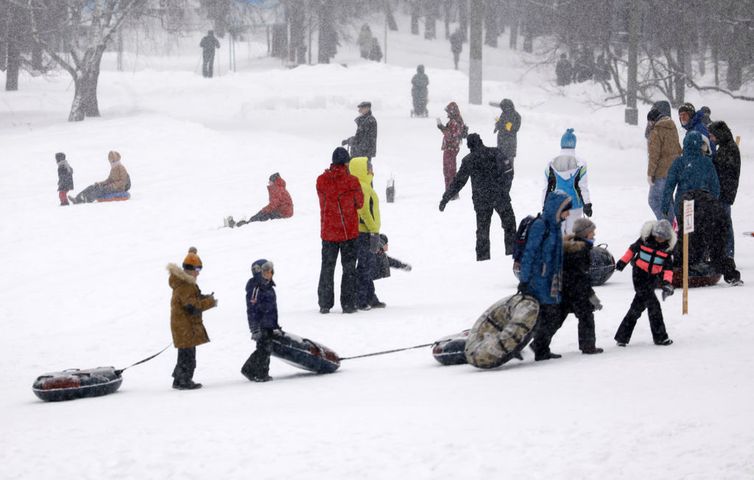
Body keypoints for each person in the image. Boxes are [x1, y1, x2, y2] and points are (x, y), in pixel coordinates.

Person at [439, 133, 516, 261]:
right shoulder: (496, 153)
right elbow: (509, 172)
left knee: (482, 232)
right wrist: (505, 189)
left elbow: (458, 182)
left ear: (469, 146)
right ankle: (512, 253)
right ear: (481, 141)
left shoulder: (469, 160)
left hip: (482, 200)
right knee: (509, 225)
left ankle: (483, 260)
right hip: (500, 197)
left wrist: (445, 198)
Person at [517, 190, 572, 361]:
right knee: (545, 316)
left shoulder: (555, 227)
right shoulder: (541, 225)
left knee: (551, 315)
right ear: (557, 209)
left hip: (551, 280)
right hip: (539, 281)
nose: (568, 214)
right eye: (566, 210)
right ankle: (536, 348)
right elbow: (529, 253)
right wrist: (524, 280)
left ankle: (541, 347)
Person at [316, 147, 364, 314]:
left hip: (328, 231)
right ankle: (348, 303)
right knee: (349, 268)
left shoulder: (321, 180)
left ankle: (324, 303)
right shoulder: (352, 182)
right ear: (346, 163)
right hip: (348, 232)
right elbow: (360, 203)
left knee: (327, 268)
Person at [613, 220, 675, 347]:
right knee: (654, 306)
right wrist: (622, 262)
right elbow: (632, 250)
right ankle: (660, 337)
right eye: (657, 236)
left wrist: (667, 283)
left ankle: (622, 337)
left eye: (663, 237)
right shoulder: (645, 240)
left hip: (652, 278)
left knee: (637, 307)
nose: (659, 239)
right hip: (639, 275)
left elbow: (668, 269)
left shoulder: (667, 249)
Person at [167, 247, 218, 390]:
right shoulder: (186, 285)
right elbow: (193, 307)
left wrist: (204, 297)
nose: (198, 273)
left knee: (184, 355)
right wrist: (210, 302)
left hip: (182, 326)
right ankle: (184, 381)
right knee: (188, 357)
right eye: (198, 269)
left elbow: (191, 301)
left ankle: (179, 380)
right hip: (185, 327)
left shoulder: (184, 283)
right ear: (191, 269)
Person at [661, 131, 720, 232]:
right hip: (702, 204)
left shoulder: (679, 162)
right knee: (700, 233)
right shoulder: (707, 162)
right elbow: (715, 186)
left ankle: (684, 246)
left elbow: (669, 185)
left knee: (683, 233)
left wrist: (665, 205)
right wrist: (714, 203)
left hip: (682, 204)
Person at [561, 218, 603, 354]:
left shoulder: (574, 245)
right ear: (585, 234)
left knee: (556, 318)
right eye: (592, 232)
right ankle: (588, 346)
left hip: (567, 287)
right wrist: (590, 294)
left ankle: (539, 344)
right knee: (586, 316)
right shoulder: (581, 249)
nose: (594, 234)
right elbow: (580, 275)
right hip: (576, 289)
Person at [349, 156, 383, 310]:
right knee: (365, 267)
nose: (371, 170)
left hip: (363, 232)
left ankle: (370, 297)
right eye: (368, 167)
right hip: (365, 233)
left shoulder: (362, 185)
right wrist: (374, 231)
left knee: (367, 266)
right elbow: (363, 211)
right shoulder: (363, 187)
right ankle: (361, 299)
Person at [543, 128, 592, 234]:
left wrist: (544, 205)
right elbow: (583, 187)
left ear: (561, 143)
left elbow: (547, 187)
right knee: (572, 235)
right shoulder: (581, 163)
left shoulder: (551, 163)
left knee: (558, 235)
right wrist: (587, 204)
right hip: (575, 205)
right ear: (574, 144)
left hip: (558, 205)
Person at [241, 259, 279, 383]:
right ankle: (260, 373)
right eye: (266, 271)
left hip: (268, 323)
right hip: (261, 324)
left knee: (265, 348)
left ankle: (251, 370)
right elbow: (251, 310)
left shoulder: (269, 287)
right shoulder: (255, 288)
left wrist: (275, 324)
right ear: (258, 272)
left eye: (270, 270)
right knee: (264, 349)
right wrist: (254, 328)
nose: (270, 273)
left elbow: (272, 308)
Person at [708, 120, 741, 260]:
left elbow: (724, 170)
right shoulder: (725, 147)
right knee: (724, 222)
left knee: (725, 223)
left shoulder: (729, 149)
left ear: (719, 134)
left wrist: (711, 161)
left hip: (725, 192)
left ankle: (728, 255)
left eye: (712, 135)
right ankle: (726, 254)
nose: (711, 138)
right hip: (724, 191)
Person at [646, 101, 682, 221]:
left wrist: (650, 174)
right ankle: (672, 225)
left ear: (653, 120)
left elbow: (653, 155)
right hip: (674, 170)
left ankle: (668, 226)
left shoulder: (657, 130)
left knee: (654, 200)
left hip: (661, 173)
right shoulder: (672, 126)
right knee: (667, 199)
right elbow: (677, 148)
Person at [226, 173, 293, 228]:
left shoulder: (277, 189)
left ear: (274, 181)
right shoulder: (280, 188)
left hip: (283, 213)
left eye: (270, 181)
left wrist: (264, 210)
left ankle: (241, 225)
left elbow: (274, 204)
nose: (269, 183)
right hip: (284, 211)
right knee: (261, 215)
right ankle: (244, 224)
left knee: (261, 216)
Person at [436, 101, 466, 192]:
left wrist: (441, 127)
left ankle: (451, 191)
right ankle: (450, 191)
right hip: (452, 148)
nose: (447, 114)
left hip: (450, 148)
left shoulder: (454, 122)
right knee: (450, 170)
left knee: (449, 170)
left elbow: (450, 136)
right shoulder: (457, 120)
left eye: (448, 112)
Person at [494, 99, 521, 170]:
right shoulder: (503, 114)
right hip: (501, 142)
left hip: (510, 143)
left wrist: (508, 126)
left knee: (509, 161)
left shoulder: (516, 115)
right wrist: (497, 125)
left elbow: (516, 128)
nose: (503, 109)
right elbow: (501, 124)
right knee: (500, 161)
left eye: (504, 107)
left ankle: (509, 176)